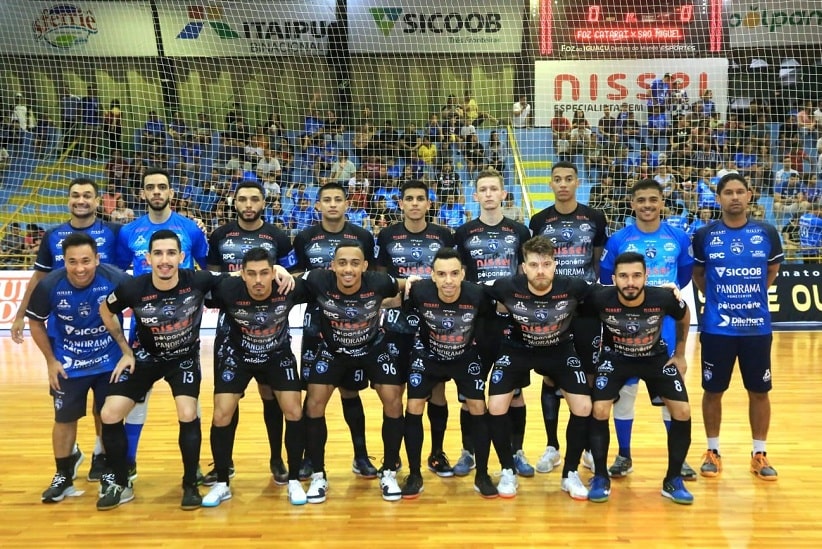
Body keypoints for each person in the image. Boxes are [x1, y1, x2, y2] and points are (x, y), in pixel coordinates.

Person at [96, 230, 221, 510]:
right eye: (158, 254)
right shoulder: (132, 287)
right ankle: (119, 480)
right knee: (109, 413)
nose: (165, 260)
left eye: (170, 253)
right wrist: (125, 351)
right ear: (148, 258)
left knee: (188, 413)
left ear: (182, 257)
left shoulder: (199, 280)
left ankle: (190, 482)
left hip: (183, 358)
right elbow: (106, 310)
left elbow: (240, 279)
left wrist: (275, 268)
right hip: (144, 357)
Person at [11, 177, 122, 481]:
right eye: (75, 195)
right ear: (68, 200)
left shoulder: (113, 233)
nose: (81, 200)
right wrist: (21, 314)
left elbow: (131, 273)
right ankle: (66, 466)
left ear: (98, 201)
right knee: (65, 412)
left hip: (106, 333)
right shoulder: (53, 236)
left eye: (87, 195)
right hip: (69, 338)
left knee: (106, 411)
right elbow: (39, 279)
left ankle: (102, 456)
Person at [114, 167, 209, 480]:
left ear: (171, 192)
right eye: (150, 187)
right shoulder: (128, 232)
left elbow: (208, 270)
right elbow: (116, 275)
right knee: (137, 400)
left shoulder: (190, 230)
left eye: (162, 187)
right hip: (142, 330)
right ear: (142, 193)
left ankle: (191, 466)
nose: (156, 192)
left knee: (188, 404)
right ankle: (127, 461)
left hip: (182, 332)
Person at [300, 241, 412, 503]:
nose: (348, 269)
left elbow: (407, 284)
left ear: (364, 266)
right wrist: (279, 272)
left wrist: (417, 280)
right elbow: (291, 281)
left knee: (394, 400)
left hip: (372, 348)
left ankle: (389, 472)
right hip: (333, 350)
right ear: (332, 266)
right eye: (342, 263)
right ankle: (318, 475)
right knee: (313, 404)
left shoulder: (380, 281)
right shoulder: (318, 280)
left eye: (354, 263)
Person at [599, 179, 695, 480]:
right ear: (632, 204)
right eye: (641, 200)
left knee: (672, 396)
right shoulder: (618, 240)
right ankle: (624, 455)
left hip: (664, 328)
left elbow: (685, 275)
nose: (648, 205)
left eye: (654, 200)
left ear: (662, 202)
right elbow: (606, 279)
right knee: (625, 393)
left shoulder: (678, 237)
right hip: (625, 330)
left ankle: (677, 461)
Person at [485, 236, 593, 500]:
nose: (541, 271)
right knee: (496, 406)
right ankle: (507, 469)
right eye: (534, 265)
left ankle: (570, 473)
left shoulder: (574, 287)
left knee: (584, 407)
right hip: (518, 350)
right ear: (524, 267)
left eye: (546, 264)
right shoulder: (505, 286)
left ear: (555, 265)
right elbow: (469, 291)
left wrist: (666, 289)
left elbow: (610, 294)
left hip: (559, 350)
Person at [692, 173, 783, 481]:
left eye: (739, 192)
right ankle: (712, 450)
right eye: (727, 192)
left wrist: (751, 295)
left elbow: (771, 270)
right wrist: (720, 299)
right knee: (712, 390)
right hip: (718, 329)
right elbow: (700, 276)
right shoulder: (705, 235)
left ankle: (759, 453)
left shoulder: (767, 232)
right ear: (718, 198)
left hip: (757, 329)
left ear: (749, 195)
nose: (734, 197)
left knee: (759, 391)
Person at [205, 181, 295, 486]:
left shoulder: (277, 236)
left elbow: (292, 275)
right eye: (242, 199)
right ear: (235, 202)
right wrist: (233, 279)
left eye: (254, 199)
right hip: (232, 329)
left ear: (263, 202)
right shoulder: (220, 235)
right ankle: (224, 465)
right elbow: (211, 277)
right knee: (228, 401)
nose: (248, 204)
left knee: (272, 397)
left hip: (271, 332)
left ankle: (276, 458)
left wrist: (283, 272)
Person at [28, 233, 130, 503]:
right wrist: (51, 361)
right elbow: (36, 322)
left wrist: (128, 352)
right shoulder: (50, 284)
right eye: (72, 262)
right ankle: (63, 473)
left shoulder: (115, 278)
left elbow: (143, 304)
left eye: (86, 260)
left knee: (107, 414)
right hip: (69, 363)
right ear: (64, 261)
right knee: (63, 419)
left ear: (97, 259)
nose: (80, 268)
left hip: (108, 361)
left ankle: (109, 469)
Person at [587, 251, 693, 505]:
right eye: (623, 276)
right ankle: (601, 476)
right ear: (613, 278)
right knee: (599, 409)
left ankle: (673, 479)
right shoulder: (600, 298)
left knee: (683, 411)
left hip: (655, 359)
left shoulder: (663, 298)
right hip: (615, 359)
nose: (630, 282)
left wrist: (679, 354)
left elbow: (684, 314)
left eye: (636, 275)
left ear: (647, 276)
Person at [202, 248, 302, 506]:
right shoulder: (227, 288)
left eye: (265, 273)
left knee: (293, 410)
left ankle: (293, 480)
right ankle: (223, 482)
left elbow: (323, 276)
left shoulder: (288, 287)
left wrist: (284, 271)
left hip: (277, 354)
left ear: (273, 273)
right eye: (252, 274)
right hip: (238, 355)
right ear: (242, 275)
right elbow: (199, 278)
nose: (258, 281)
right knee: (221, 413)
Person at [292, 182, 378, 479]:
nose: (332, 204)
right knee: (314, 395)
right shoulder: (304, 237)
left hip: (352, 324)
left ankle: (361, 455)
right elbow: (296, 279)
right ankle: (308, 457)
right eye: (326, 200)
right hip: (316, 324)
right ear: (318, 205)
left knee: (350, 391)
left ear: (346, 204)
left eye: (337, 200)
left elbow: (373, 279)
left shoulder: (363, 236)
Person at [528, 161, 607, 475]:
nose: (563, 184)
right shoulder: (539, 220)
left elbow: (599, 258)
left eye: (569, 179)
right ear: (551, 184)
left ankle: (586, 446)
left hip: (585, 306)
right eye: (557, 179)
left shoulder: (594, 218)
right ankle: (552, 446)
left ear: (578, 182)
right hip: (551, 306)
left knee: (586, 375)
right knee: (551, 375)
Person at [400, 247, 498, 499]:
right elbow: (406, 317)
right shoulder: (420, 291)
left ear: (463, 274)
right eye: (442, 274)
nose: (448, 281)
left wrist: (482, 359)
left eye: (454, 274)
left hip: (464, 357)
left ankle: (483, 474)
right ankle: (414, 474)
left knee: (478, 406)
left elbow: (488, 327)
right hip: (428, 357)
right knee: (413, 406)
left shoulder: (477, 295)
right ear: (432, 275)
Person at [452, 168, 532, 477]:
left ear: (503, 194)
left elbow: (526, 274)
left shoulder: (519, 231)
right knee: (469, 392)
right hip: (473, 322)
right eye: (482, 189)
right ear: (475, 196)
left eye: (493, 189)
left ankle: (517, 451)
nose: (488, 194)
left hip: (511, 321)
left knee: (514, 392)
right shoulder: (462, 233)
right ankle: (468, 452)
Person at [375, 180, 455, 475]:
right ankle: (392, 456)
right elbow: (380, 281)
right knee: (394, 396)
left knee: (435, 393)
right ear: (401, 203)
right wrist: (392, 299)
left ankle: (436, 453)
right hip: (396, 327)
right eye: (409, 198)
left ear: (428, 203)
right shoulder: (387, 235)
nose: (415, 203)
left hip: (432, 327)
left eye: (421, 198)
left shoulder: (443, 235)